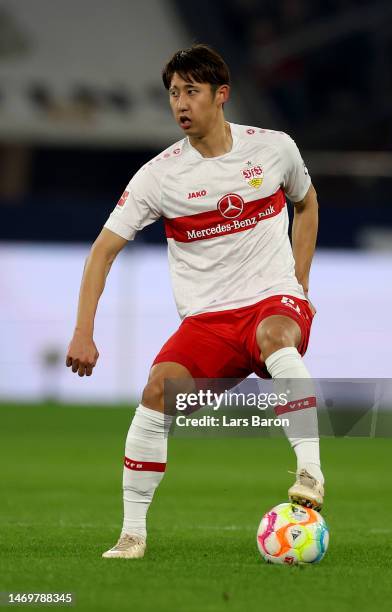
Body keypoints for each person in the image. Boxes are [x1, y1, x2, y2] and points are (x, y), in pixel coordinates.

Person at [66, 44, 324, 560]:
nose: (180, 103)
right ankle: (132, 535)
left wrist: (298, 284)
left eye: (191, 92)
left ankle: (310, 471)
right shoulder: (159, 176)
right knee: (158, 391)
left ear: (221, 95)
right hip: (208, 323)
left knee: (276, 336)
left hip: (270, 304)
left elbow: (307, 201)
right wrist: (82, 331)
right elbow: (103, 251)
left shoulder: (273, 148)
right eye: (173, 94)